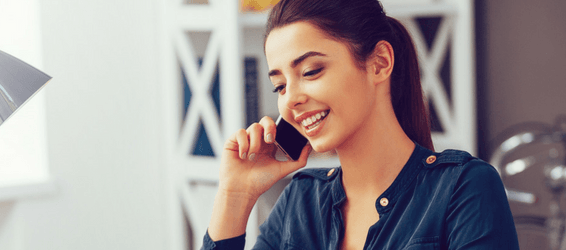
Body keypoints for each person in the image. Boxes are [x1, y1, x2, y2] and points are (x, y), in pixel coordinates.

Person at [201, 0, 519, 249]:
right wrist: (235, 195)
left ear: (379, 63)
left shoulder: (463, 188)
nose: (291, 100)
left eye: (311, 71)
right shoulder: (301, 201)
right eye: (280, 86)